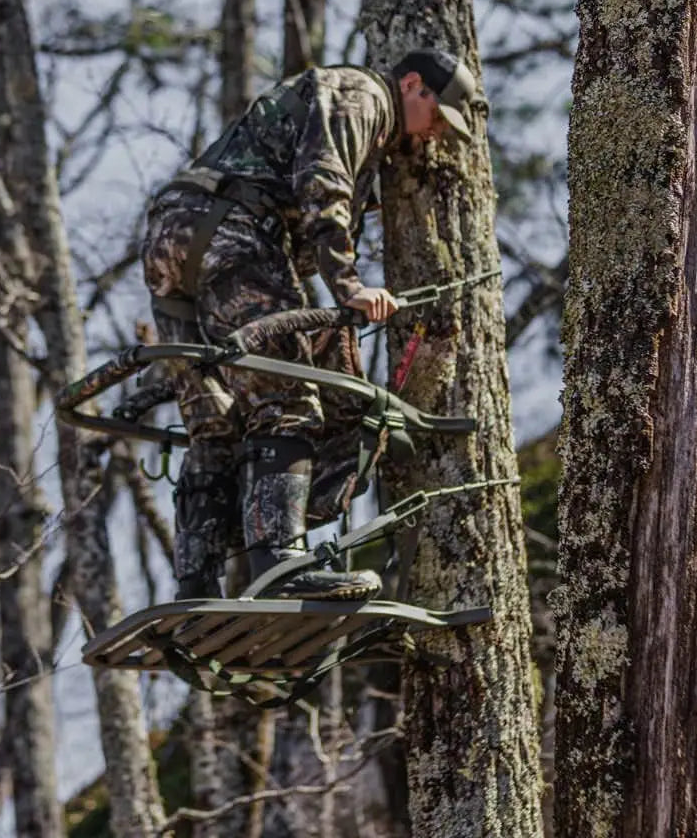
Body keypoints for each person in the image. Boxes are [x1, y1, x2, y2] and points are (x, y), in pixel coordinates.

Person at [141, 47, 478, 601]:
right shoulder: (363, 96)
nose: (434, 133)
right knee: (290, 398)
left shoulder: (358, 113)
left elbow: (292, 257)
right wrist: (350, 288)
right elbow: (324, 185)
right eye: (437, 114)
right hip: (231, 235)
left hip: (172, 242)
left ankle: (195, 584)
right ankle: (281, 566)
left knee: (216, 421)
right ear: (413, 84)